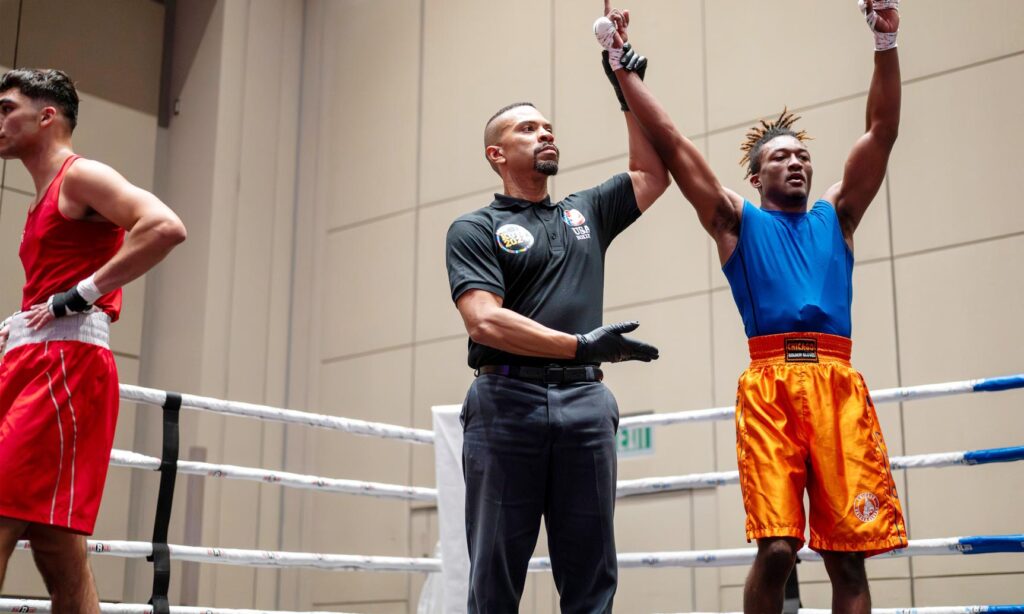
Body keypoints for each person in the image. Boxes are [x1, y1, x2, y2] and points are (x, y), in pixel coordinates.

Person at [596, 1, 907, 611]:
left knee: (848, 558)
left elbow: (880, 132)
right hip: (769, 388)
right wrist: (621, 70)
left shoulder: (838, 215)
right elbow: (675, 144)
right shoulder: (735, 222)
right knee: (776, 550)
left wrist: (885, 41)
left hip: (836, 385)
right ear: (758, 177)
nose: (796, 162)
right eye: (781, 158)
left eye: (802, 156)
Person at [444, 19, 669, 611]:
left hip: (585, 406)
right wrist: (578, 346)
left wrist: (626, 89)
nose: (544, 133)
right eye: (527, 128)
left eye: (547, 126)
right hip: (505, 405)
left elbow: (651, 175)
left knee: (591, 578)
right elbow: (484, 322)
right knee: (494, 580)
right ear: (497, 154)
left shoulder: (585, 211)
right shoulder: (475, 229)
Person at [0, 68, 186, 611]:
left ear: (47, 114)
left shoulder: (80, 177)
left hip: (67, 366)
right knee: (56, 543)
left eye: (7, 108)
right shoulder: (41, 200)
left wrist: (82, 293)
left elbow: (164, 225)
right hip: (33, 362)